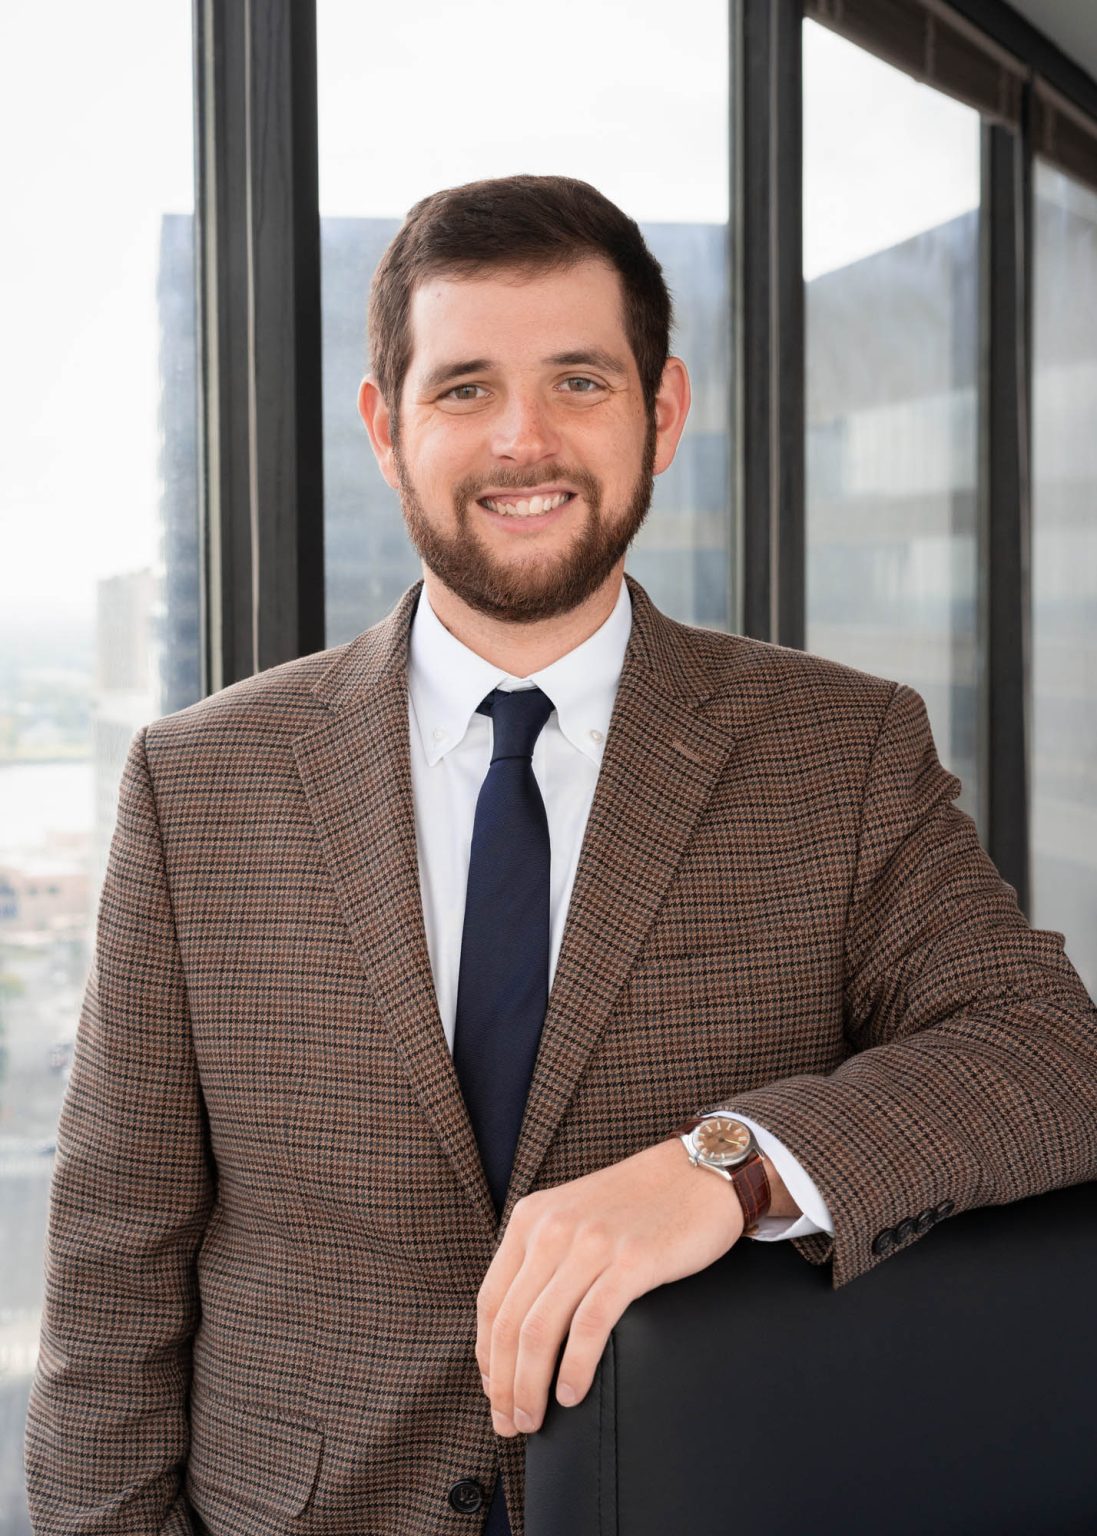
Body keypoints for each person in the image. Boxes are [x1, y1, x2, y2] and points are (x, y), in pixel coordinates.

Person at [25, 174, 1097, 1536]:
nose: (520, 440)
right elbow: (116, 1267)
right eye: (463, 387)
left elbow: (1055, 1058)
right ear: (384, 426)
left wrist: (732, 1164)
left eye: (577, 382)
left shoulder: (840, 748)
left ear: (660, 411)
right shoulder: (200, 781)